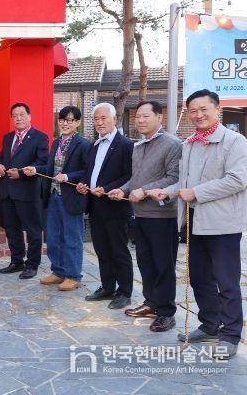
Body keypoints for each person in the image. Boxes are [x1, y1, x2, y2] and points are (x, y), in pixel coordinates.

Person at [148, 89, 247, 359]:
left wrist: (197, 192)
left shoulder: (234, 141)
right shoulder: (189, 143)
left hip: (223, 224)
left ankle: (231, 334)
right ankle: (210, 324)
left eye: (204, 109)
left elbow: (238, 180)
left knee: (227, 281)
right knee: (199, 277)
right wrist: (167, 192)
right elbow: (185, 184)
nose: (199, 115)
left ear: (217, 109)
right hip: (194, 222)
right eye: (193, 110)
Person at [107, 100, 181, 332]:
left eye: (146, 116)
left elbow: (174, 178)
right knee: (145, 262)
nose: (140, 120)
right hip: (140, 214)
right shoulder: (138, 146)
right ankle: (151, 303)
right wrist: (123, 190)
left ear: (160, 117)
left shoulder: (172, 144)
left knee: (163, 265)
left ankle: (166, 312)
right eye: (138, 116)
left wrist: (145, 190)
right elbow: (135, 178)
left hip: (162, 216)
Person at [22, 106, 89, 291]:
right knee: (53, 236)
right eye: (62, 120)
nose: (65, 123)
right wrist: (35, 169)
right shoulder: (56, 143)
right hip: (53, 195)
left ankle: (73, 276)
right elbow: (50, 168)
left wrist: (68, 176)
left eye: (69, 120)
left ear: (77, 122)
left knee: (72, 238)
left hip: (71, 197)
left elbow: (87, 171)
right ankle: (58, 271)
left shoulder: (83, 144)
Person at [76, 103, 134, 310]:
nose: (99, 123)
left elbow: (130, 175)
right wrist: (83, 184)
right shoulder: (94, 145)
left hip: (115, 207)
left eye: (103, 118)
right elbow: (89, 172)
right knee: (102, 250)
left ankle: (125, 292)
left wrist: (107, 189)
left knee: (119, 251)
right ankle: (107, 287)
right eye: (96, 119)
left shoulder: (126, 144)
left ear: (114, 119)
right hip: (95, 206)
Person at [0, 102, 48, 279]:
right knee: (12, 229)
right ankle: (17, 261)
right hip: (8, 191)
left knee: (33, 231)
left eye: (22, 115)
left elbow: (43, 164)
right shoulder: (8, 137)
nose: (18, 118)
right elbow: (2, 157)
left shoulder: (40, 137)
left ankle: (32, 265)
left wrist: (22, 174)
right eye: (15, 115)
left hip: (28, 191)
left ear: (29, 116)